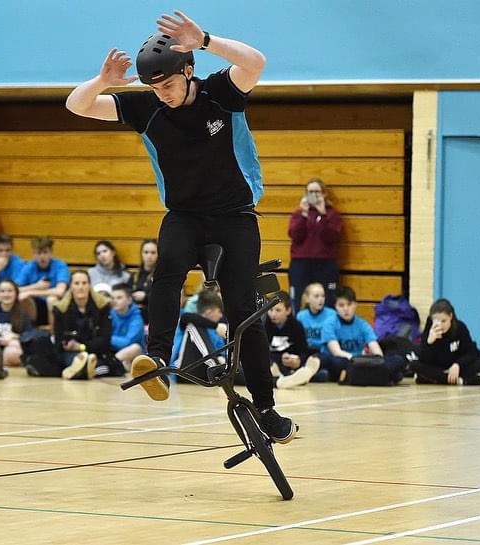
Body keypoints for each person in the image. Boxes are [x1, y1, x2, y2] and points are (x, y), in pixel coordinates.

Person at [65, 10, 295, 441]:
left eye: (168, 84)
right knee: (167, 269)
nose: (163, 94)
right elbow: (76, 105)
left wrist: (205, 39)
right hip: (185, 215)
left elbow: (256, 62)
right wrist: (102, 81)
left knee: (243, 310)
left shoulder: (220, 94)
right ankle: (157, 361)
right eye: (155, 87)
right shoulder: (146, 108)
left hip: (235, 215)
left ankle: (266, 408)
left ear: (188, 71)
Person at [319, 286, 404, 384]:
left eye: (349, 304)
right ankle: (382, 376)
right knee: (336, 361)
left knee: (398, 359)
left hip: (361, 363)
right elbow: (336, 352)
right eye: (341, 305)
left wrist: (377, 362)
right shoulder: (329, 324)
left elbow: (377, 352)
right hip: (346, 361)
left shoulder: (363, 324)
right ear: (336, 307)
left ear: (355, 305)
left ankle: (362, 376)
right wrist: (356, 359)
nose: (346, 309)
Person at [52, 270, 121, 380]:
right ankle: (83, 369)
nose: (81, 287)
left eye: (84, 283)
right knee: (70, 359)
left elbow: (105, 340)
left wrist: (82, 346)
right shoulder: (60, 309)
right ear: (71, 286)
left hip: (96, 352)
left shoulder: (102, 307)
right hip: (71, 353)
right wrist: (67, 345)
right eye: (77, 283)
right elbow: (58, 341)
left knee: (109, 366)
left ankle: (82, 370)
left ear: (89, 285)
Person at [287, 178, 343, 309]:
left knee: (327, 301)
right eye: (310, 192)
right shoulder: (298, 214)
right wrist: (304, 215)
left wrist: (323, 214)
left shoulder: (332, 214)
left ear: (324, 194)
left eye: (317, 192)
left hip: (325, 263)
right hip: (301, 264)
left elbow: (331, 237)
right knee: (299, 300)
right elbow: (295, 235)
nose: (314, 195)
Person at [412, 299, 480, 385]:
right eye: (436, 321)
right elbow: (424, 359)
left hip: (457, 366)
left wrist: (458, 364)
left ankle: (433, 378)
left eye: (444, 321)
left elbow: (471, 352)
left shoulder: (460, 327)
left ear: (450, 316)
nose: (441, 325)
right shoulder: (429, 330)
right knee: (414, 365)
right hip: (439, 368)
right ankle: (460, 380)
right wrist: (429, 343)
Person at [264, 292, 320, 388]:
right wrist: (280, 358)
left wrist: (298, 360)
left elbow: (303, 350)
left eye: (278, 310)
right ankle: (288, 377)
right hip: (274, 363)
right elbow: (262, 352)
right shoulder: (264, 326)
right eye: (271, 310)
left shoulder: (296, 326)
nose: (273, 314)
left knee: (322, 369)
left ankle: (293, 376)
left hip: (292, 365)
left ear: (288, 310)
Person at [15, 236, 70, 326]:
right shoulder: (29, 267)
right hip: (36, 306)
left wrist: (31, 292)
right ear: (33, 254)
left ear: (51, 253)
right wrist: (36, 286)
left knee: (51, 299)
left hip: (57, 305)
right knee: (22, 298)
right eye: (38, 253)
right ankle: (29, 329)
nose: (42, 257)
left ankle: (54, 332)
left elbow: (60, 291)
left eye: (45, 252)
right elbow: (15, 289)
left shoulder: (60, 266)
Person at [0, 279, 35, 367]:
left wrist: (15, 336)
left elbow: (30, 335)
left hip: (15, 348)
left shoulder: (22, 313)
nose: (6, 294)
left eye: (10, 291)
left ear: (16, 293)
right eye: (3, 291)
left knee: (14, 347)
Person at [295, 282, 337, 367]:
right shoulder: (301, 316)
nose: (320, 299)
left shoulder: (332, 314)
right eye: (316, 296)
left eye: (323, 296)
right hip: (306, 353)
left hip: (325, 353)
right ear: (307, 299)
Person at [109, 282, 145, 372]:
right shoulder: (109, 314)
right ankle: (118, 365)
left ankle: (111, 364)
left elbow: (127, 342)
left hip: (132, 354)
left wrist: (108, 338)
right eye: (113, 298)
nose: (115, 301)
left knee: (135, 348)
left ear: (129, 300)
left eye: (119, 298)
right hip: (112, 350)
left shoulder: (136, 318)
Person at [132, 239, 157, 323]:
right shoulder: (135, 275)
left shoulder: (162, 276)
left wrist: (145, 297)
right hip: (134, 313)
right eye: (146, 252)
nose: (149, 256)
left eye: (153, 253)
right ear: (141, 254)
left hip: (153, 315)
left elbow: (163, 297)